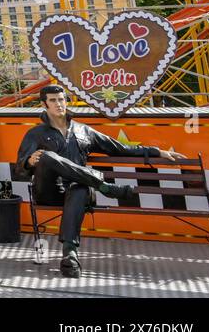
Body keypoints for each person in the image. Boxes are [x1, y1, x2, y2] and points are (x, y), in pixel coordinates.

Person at [16, 84, 186, 278]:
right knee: (47, 156)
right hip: (49, 192)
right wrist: (29, 162)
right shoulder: (35, 134)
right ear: (44, 104)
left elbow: (120, 148)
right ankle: (103, 185)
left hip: (78, 192)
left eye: (62, 99)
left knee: (79, 188)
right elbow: (20, 169)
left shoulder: (84, 131)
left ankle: (70, 254)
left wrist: (157, 152)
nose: (59, 104)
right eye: (53, 100)